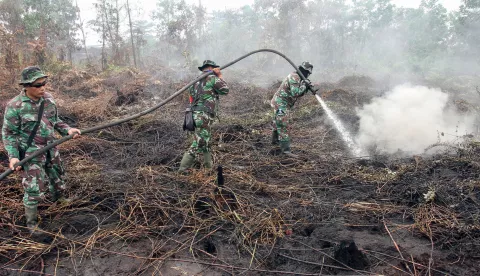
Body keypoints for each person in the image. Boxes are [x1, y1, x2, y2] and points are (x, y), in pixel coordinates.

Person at [2, 66, 81, 233]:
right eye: (38, 85)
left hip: (51, 148)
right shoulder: (15, 106)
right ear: (26, 86)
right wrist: (13, 157)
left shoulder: (48, 100)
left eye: (44, 83)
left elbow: (56, 121)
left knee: (57, 175)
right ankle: (31, 223)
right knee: (33, 187)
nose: (42, 88)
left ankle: (60, 200)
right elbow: (9, 134)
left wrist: (68, 130)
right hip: (31, 153)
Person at [178, 60, 229, 172]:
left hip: (195, 115)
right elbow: (225, 90)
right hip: (204, 116)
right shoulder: (212, 78)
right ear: (211, 68)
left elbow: (191, 98)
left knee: (205, 141)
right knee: (199, 142)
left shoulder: (194, 82)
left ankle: (208, 168)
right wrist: (219, 75)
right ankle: (182, 169)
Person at [271, 62, 314, 157]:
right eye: (308, 73)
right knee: (283, 124)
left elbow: (298, 93)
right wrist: (304, 85)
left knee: (277, 122)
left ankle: (275, 142)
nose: (308, 75)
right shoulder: (295, 77)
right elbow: (295, 93)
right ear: (304, 71)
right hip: (280, 104)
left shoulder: (297, 77)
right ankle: (285, 151)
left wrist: (305, 87)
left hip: (281, 103)